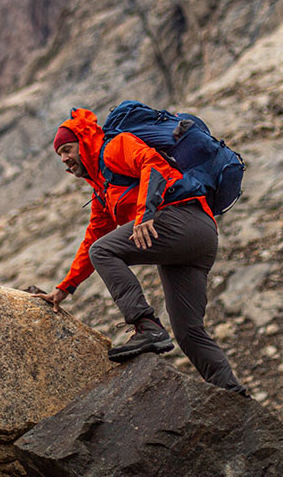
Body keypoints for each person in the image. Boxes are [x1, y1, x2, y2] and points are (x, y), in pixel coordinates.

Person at [35, 107, 246, 393]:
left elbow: (153, 164)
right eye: (60, 155)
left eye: (68, 149)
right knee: (188, 331)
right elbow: (92, 239)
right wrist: (64, 288)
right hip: (195, 239)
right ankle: (232, 395)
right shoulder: (103, 190)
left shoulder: (114, 148)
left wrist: (145, 214)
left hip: (183, 220)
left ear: (84, 142)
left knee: (104, 251)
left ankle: (146, 326)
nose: (65, 159)